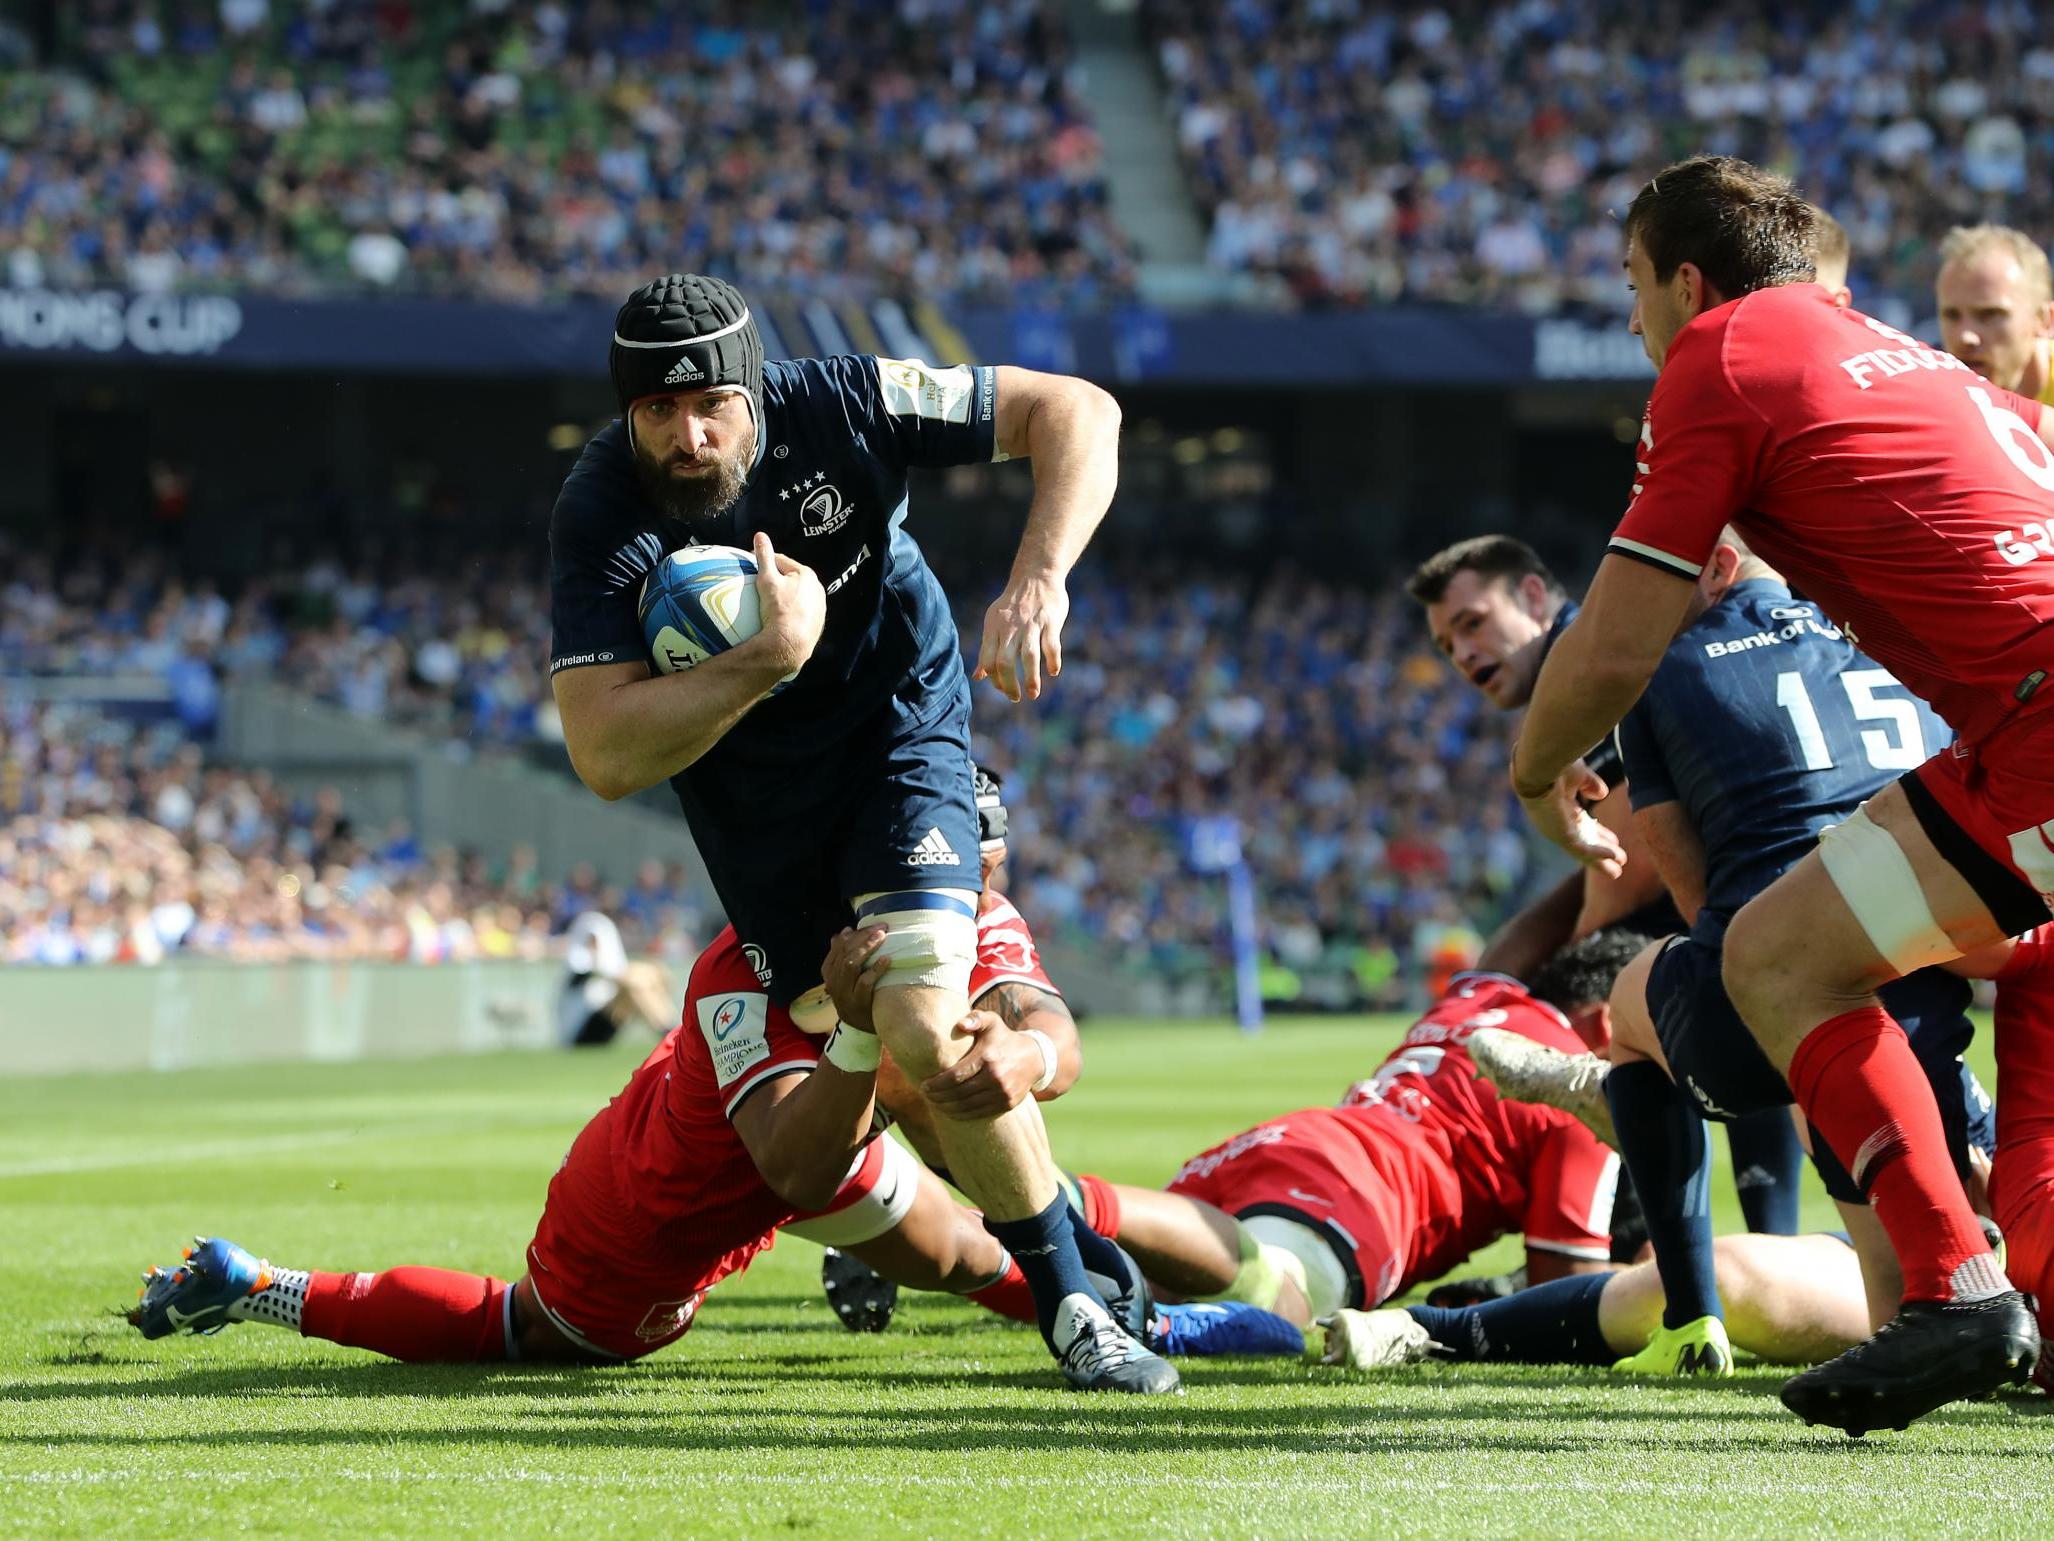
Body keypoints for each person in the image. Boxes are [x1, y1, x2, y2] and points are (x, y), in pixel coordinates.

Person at [544, 274, 1171, 1391]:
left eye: (713, 408)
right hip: (759, 816)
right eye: (656, 414)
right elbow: (602, 754)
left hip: (902, 741)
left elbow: (1077, 409)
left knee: (922, 1022)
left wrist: (1039, 578)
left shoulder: (843, 400)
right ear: (624, 412)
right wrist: (767, 658)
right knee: (901, 1069)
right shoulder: (599, 510)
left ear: (755, 392)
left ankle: (1071, 1306)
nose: (689, 437)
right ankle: (1073, 1245)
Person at [1508, 154, 2054, 1432]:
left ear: (1685, 283)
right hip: (2010, 738)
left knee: (1778, 962)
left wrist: (1534, 771)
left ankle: (1958, 1290)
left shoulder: (1722, 354)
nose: (1634, 320)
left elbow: (1612, 643)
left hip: (2036, 731)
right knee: (1782, 948)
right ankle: (1958, 1289)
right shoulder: (1914, 362)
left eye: (1633, 287)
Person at [125, 919, 1131, 1370]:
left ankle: (1137, 1321)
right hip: (663, 1194)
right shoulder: (756, 959)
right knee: (527, 1332)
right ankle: (265, 1283)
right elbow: (793, 1152)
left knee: (963, 1251)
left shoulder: (861, 915)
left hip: (790, 1125)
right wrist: (876, 1042)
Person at [1475, 531, 1993, 1372]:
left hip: (1788, 992)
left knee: (1641, 1003)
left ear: (1714, 565)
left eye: (1657, 576)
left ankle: (1690, 1316)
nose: (1639, 600)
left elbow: (1696, 895)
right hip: (1932, 971)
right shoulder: (1886, 633)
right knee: (1946, 1254)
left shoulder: (1658, 669)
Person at [1408, 535, 1805, 1237]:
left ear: (1534, 595)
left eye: (1472, 623)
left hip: (1761, 881)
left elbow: (1625, 866)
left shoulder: (1589, 663)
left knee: (1591, 995)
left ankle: (1625, 1247)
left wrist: (1497, 988)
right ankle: (1750, 1240)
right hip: (1791, 874)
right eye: (1446, 646)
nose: (1463, 655)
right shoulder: (1594, 657)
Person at [1061, 934, 1639, 1341]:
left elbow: (1521, 937)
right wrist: (1645, 1282)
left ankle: (990, 1231)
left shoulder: (1483, 1000)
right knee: (1283, 1310)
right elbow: (1569, 1299)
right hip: (1362, 1195)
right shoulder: (1576, 1097)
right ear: (1611, 1023)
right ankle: (1059, 1196)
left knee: (1090, 1285)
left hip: (1288, 1141)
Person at [1935, 224, 2054, 405]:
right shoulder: (1930, 397)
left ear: (2044, 321)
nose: (1965, 336)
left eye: (1989, 314)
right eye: (1952, 315)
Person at [556, 909, 680, 1047]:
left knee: (640, 982)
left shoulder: (605, 964)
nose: (594, 945)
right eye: (591, 940)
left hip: (605, 1026)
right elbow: (599, 974)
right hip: (580, 1032)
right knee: (635, 983)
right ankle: (670, 1031)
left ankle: (669, 1030)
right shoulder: (576, 966)